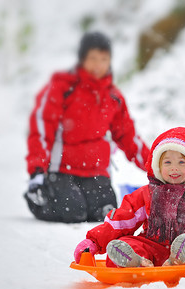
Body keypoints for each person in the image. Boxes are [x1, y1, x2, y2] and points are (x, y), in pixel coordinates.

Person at [73, 127, 185, 267]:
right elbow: (120, 221)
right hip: (156, 248)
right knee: (126, 241)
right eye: (167, 162)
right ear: (157, 166)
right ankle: (137, 262)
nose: (174, 168)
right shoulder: (147, 195)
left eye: (181, 162)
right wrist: (93, 242)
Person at [24, 32, 150, 223]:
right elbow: (42, 129)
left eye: (104, 59)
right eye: (92, 59)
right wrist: (37, 169)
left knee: (105, 213)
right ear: (82, 59)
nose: (98, 65)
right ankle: (38, 198)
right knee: (73, 212)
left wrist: (155, 166)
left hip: (96, 171)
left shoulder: (113, 97)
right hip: (61, 170)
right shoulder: (63, 88)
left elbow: (128, 136)